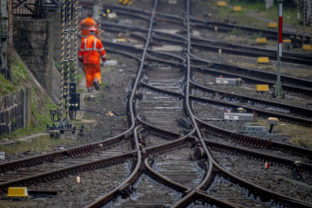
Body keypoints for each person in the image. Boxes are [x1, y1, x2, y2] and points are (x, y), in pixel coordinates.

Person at [78, 26, 106, 92]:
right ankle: (96, 80)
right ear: (95, 32)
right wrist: (104, 59)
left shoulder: (84, 41)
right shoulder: (98, 41)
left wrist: (80, 59)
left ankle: (90, 88)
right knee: (97, 72)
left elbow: (80, 51)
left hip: (86, 60)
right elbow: (102, 52)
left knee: (88, 74)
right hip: (95, 60)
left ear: (89, 32)